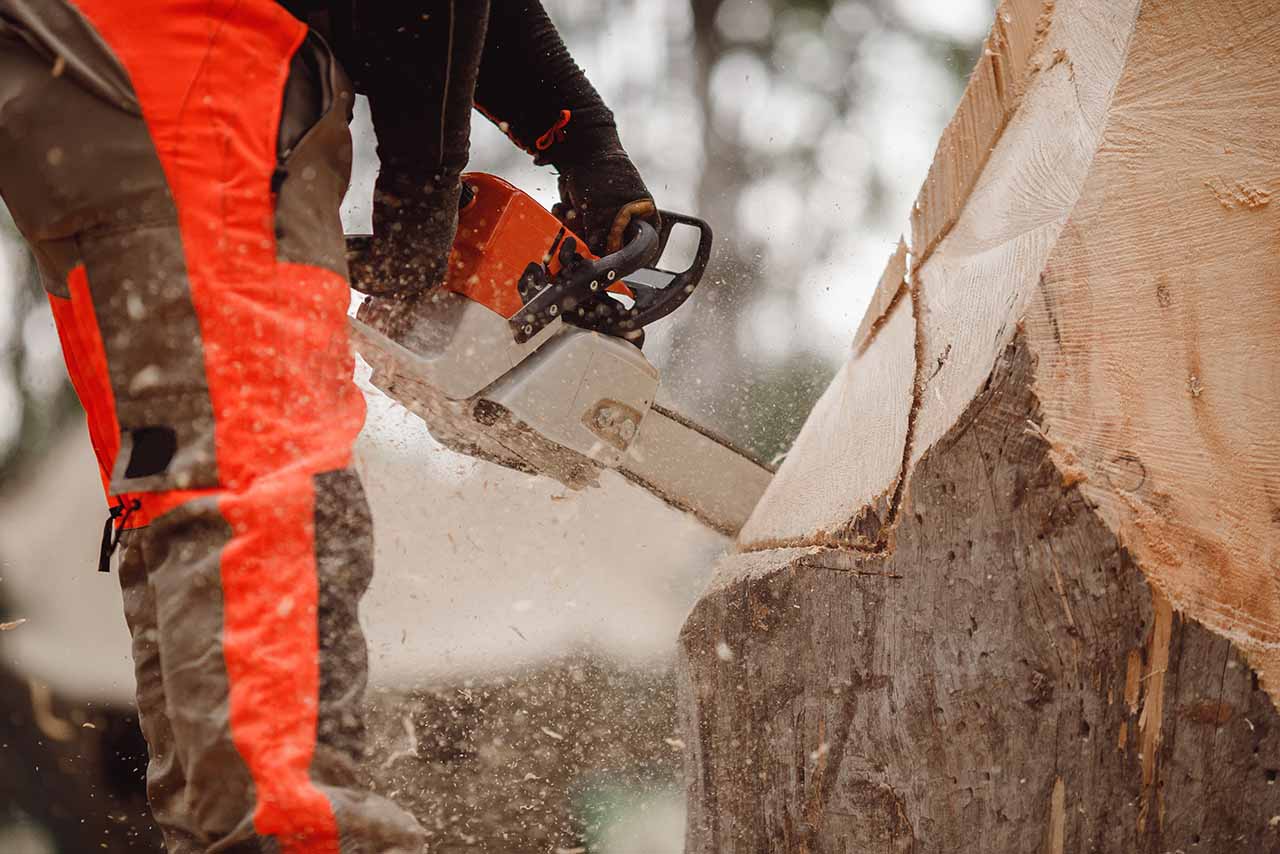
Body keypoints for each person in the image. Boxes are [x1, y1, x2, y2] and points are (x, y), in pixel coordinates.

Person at [0, 1, 655, 851]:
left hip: (92, 82)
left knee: (182, 484)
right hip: (197, 81)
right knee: (269, 486)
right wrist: (422, 202)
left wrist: (581, 140)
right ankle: (285, 823)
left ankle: (223, 822)